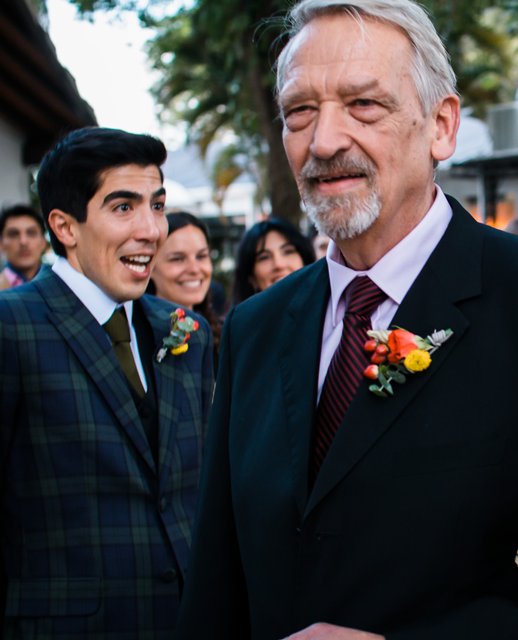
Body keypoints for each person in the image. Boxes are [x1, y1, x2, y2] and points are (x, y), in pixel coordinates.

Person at [175, 1, 518, 638]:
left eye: (363, 104)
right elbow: (217, 586)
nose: (324, 141)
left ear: (441, 126)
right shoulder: (256, 328)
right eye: (299, 112)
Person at [0, 127, 214, 637]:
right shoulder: (11, 327)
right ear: (65, 227)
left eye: (157, 206)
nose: (151, 230)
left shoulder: (187, 332)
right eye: (124, 207)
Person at [147, 211, 223, 358]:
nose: (194, 269)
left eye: (201, 256)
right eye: (177, 259)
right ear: (150, 267)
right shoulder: (136, 338)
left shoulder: (224, 335)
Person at [230, 217, 315, 306]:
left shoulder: (327, 313)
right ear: (251, 277)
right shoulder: (239, 319)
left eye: (288, 251)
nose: (279, 264)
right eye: (264, 257)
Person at [0, 204, 47, 290]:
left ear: (43, 242)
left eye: (31, 233)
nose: (23, 241)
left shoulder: (63, 284)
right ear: (1, 244)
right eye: (13, 234)